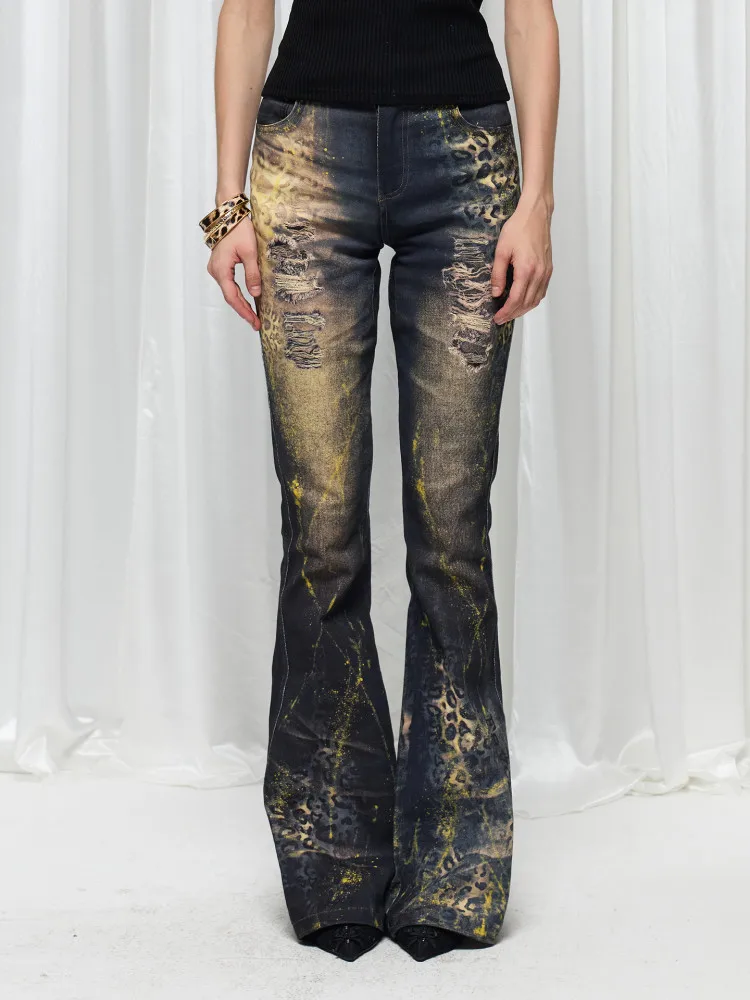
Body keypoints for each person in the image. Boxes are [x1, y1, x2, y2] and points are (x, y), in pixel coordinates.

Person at [203, 0, 559, 964]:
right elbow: (247, 8)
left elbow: (530, 15)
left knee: (452, 531)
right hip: (305, 159)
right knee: (321, 531)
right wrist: (229, 204)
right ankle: (333, 859)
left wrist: (536, 202)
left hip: (467, 158)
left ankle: (455, 865)